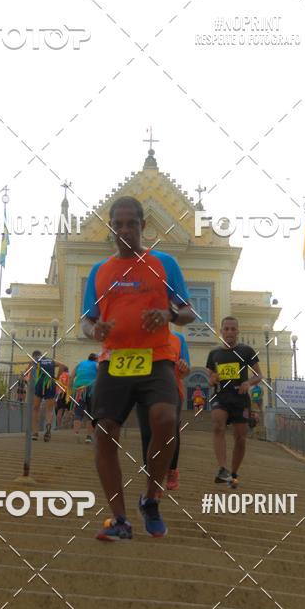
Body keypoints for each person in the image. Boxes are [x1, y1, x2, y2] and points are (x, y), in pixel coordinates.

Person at [82, 195, 194, 541]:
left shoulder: (164, 264)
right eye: (119, 224)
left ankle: (151, 497)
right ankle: (120, 519)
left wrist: (169, 315)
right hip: (115, 360)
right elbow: (87, 321)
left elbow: (189, 312)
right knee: (104, 433)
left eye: (133, 223)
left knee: (165, 419)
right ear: (111, 228)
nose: (126, 230)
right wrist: (94, 331)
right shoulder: (100, 272)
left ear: (144, 226)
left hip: (157, 357)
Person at [206, 316, 263, 488]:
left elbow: (259, 375)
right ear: (221, 331)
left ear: (238, 331)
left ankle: (234, 473)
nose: (229, 332)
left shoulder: (246, 351)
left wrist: (248, 383)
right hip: (221, 397)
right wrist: (212, 378)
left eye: (233, 329)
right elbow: (210, 377)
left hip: (240, 398)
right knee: (218, 426)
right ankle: (222, 469)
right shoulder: (214, 353)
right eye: (226, 329)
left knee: (240, 438)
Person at [136, 329, 190, 491]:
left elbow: (186, 370)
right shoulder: (139, 335)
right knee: (147, 433)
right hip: (144, 389)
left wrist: (183, 367)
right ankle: (152, 476)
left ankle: (172, 470)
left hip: (171, 389)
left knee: (171, 430)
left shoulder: (178, 338)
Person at [30, 349, 67, 442]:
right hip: (51, 382)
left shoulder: (35, 360)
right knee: (49, 410)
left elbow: (29, 372)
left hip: (40, 382)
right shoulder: (51, 360)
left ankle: (35, 433)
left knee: (35, 408)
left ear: (34, 356)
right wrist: (57, 378)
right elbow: (62, 365)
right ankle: (48, 429)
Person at [70, 353, 98, 442]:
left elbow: (71, 376)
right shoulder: (97, 365)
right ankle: (89, 437)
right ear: (96, 359)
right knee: (91, 413)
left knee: (78, 412)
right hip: (91, 390)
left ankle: (76, 434)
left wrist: (70, 390)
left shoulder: (80, 364)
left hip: (79, 390)